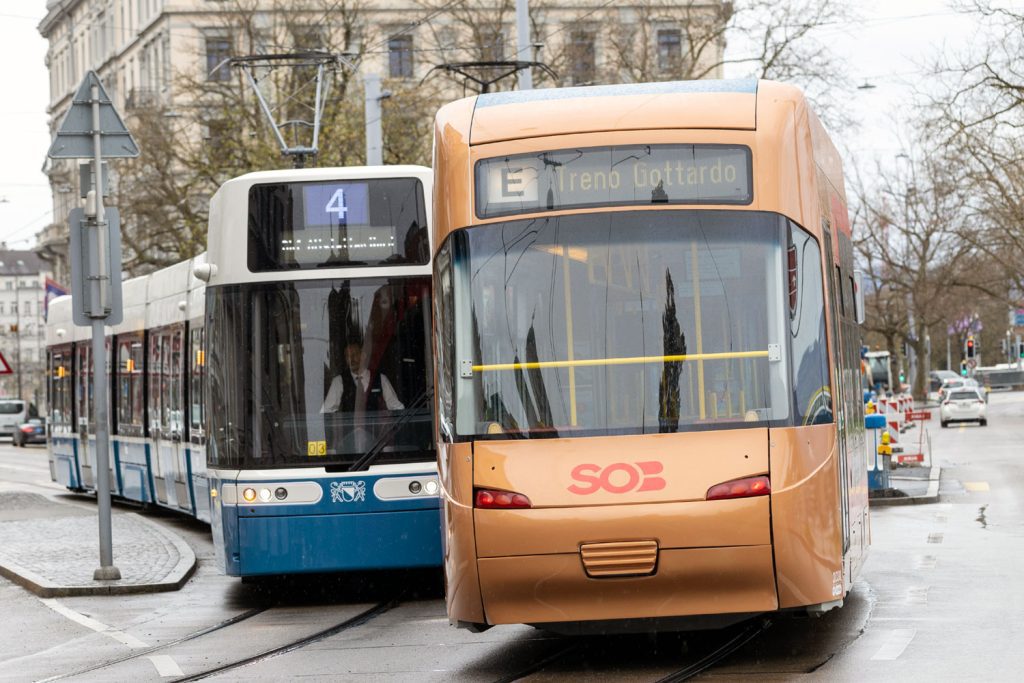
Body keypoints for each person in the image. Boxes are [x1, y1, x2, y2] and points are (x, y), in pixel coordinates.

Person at [320, 340, 404, 413]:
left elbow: (396, 408)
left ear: (363, 355)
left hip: (375, 430)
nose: (351, 359)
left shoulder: (381, 379)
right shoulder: (339, 381)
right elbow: (326, 412)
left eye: (354, 354)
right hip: (349, 431)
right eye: (348, 356)